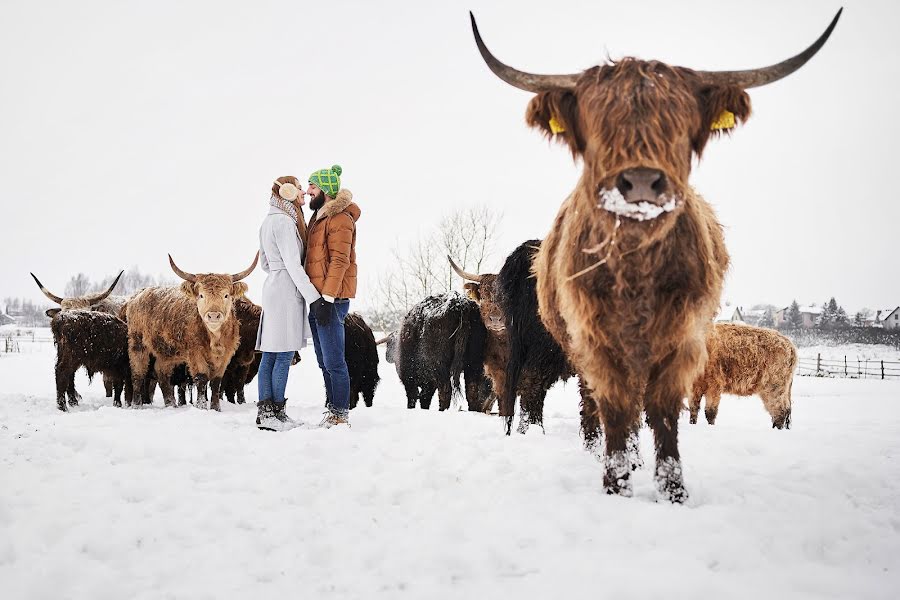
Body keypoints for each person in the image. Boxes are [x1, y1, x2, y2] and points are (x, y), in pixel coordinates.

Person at [255, 176, 321, 431]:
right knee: (282, 354)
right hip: (285, 291)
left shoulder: (269, 220)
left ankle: (268, 412)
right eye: (299, 187)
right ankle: (274, 414)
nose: (304, 191)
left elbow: (264, 264)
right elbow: (293, 265)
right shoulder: (284, 222)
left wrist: (279, 272)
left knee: (270, 353)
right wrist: (312, 296)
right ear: (288, 192)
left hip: (273, 287)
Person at [304, 164, 361, 428]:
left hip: (332, 301)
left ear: (325, 190)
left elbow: (340, 260)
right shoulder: (319, 218)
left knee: (335, 361)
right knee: (323, 360)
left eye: (312, 186)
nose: (308, 191)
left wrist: (327, 298)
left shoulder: (340, 219)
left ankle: (340, 414)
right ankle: (332, 409)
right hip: (318, 300)